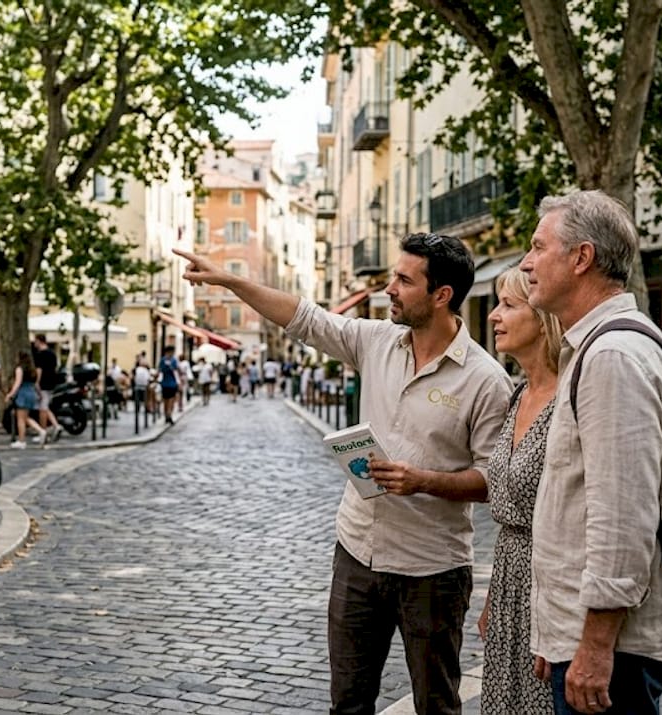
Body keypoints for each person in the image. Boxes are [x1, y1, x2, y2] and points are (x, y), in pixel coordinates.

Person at [175, 235, 512, 715]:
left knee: (437, 705)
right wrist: (230, 280)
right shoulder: (376, 341)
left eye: (404, 280)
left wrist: (422, 480)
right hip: (356, 555)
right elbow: (304, 317)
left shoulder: (485, 379)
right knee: (348, 704)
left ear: (442, 295)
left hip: (432, 570)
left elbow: (492, 478)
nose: (390, 288)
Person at [520, 190, 662, 715]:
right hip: (587, 634)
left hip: (616, 647)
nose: (527, 263)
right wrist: (559, 631)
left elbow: (623, 518)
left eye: (538, 246)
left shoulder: (613, 355)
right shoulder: (599, 346)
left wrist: (591, 645)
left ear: (581, 258)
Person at [476, 267, 563, 714]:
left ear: (544, 318)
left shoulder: (569, 399)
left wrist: (559, 624)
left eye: (509, 305)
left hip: (551, 590)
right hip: (511, 582)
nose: (494, 316)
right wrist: (494, 598)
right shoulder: (517, 395)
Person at [6, 351, 45, 449]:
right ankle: (40, 430)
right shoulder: (32, 370)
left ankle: (22, 440)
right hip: (31, 393)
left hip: (23, 394)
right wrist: (39, 395)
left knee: (20, 419)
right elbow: (36, 384)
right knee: (25, 417)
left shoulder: (19, 369)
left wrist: (10, 394)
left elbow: (17, 383)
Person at [32, 335, 63, 442]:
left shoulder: (40, 355)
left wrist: (37, 382)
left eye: (35, 341)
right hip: (52, 383)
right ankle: (56, 425)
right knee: (46, 406)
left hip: (43, 384)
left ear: (39, 341)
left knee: (42, 409)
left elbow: (39, 370)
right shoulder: (52, 354)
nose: (34, 343)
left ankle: (43, 432)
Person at [157, 347, 179, 425]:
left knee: (171, 400)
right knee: (167, 401)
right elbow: (160, 370)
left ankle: (168, 415)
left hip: (171, 384)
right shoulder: (164, 360)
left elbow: (176, 370)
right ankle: (167, 415)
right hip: (166, 383)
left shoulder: (173, 360)